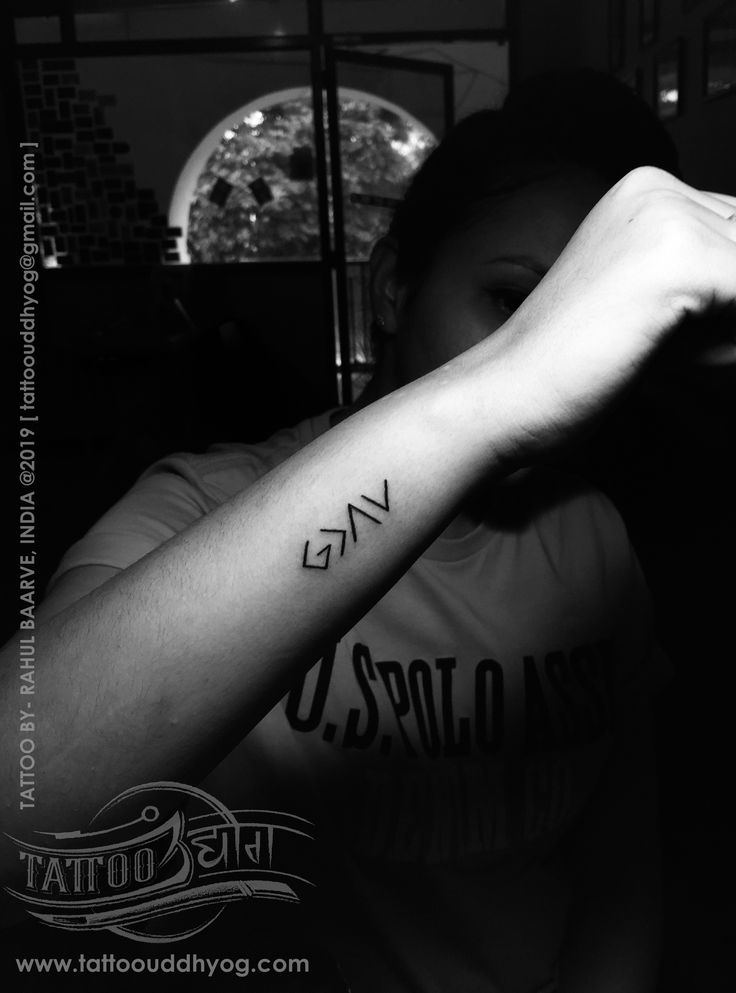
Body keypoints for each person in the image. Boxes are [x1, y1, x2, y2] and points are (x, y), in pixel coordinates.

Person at [2, 69, 735, 992]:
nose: (575, 360)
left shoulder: (591, 535)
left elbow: (622, 871)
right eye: (514, 301)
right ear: (393, 290)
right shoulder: (202, 507)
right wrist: (500, 388)